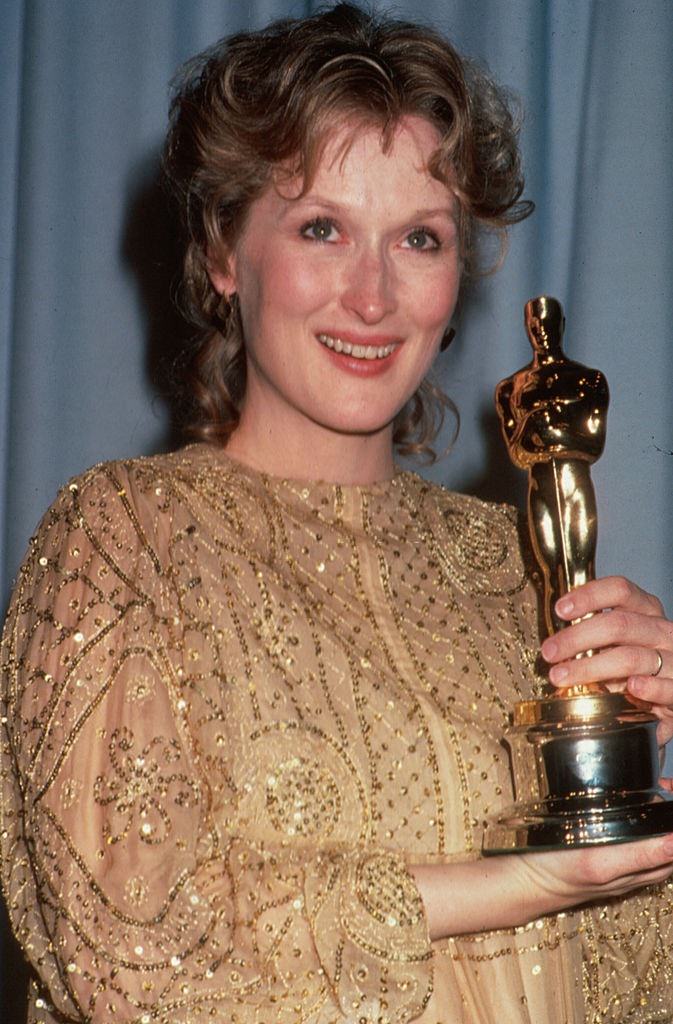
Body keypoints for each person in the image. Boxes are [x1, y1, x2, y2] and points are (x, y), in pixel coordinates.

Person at [2, 5, 673, 1023]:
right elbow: (135, 954)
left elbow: (623, 975)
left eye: (418, 237)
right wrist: (525, 882)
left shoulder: (514, 563)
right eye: (322, 228)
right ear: (226, 253)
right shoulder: (124, 537)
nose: (372, 296)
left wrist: (640, 764)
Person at [495, 296, 609, 635]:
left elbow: (594, 443)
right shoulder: (510, 389)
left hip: (574, 481)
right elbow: (517, 453)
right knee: (551, 572)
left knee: (581, 569)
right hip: (540, 485)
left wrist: (552, 431)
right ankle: (565, 672)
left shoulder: (588, 380)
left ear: (560, 325)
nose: (539, 330)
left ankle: (587, 666)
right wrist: (537, 424)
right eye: (533, 324)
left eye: (546, 322)